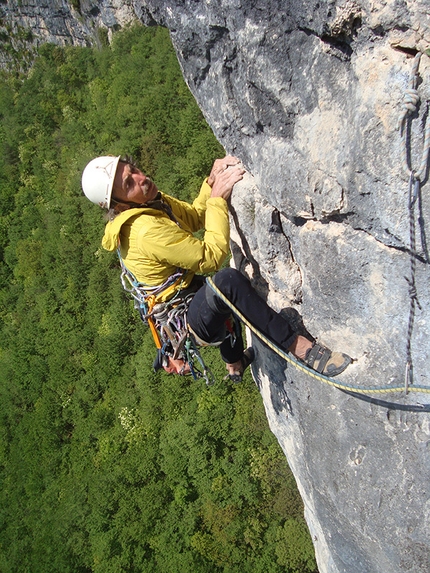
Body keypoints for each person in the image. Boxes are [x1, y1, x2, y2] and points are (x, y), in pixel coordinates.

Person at [82, 154, 351, 380]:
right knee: (227, 284)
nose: (142, 179)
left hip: (188, 295)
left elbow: (195, 217)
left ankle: (234, 365)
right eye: (129, 183)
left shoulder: (151, 204)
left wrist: (210, 184)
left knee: (218, 298)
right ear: (119, 204)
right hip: (185, 318)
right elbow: (211, 257)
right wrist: (218, 199)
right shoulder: (144, 230)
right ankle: (302, 349)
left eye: (135, 170)